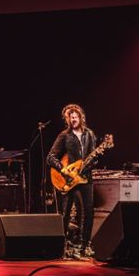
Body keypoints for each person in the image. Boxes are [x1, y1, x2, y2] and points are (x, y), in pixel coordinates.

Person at [48, 103, 98, 259]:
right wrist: (63, 169)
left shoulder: (90, 134)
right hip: (68, 179)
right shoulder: (64, 136)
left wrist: (93, 160)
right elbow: (50, 157)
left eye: (75, 116)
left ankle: (85, 245)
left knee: (89, 211)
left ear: (81, 117)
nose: (73, 119)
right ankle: (62, 246)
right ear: (67, 119)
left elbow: (94, 158)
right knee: (65, 213)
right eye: (70, 117)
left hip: (85, 177)